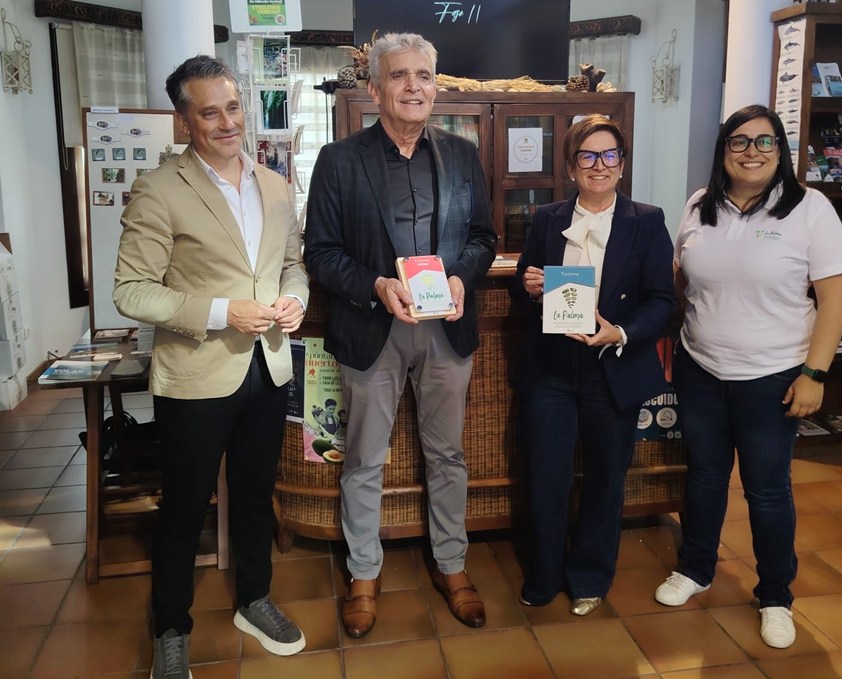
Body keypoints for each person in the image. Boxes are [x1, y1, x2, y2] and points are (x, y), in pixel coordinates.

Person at [113, 55, 309, 678]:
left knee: (253, 496)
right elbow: (131, 291)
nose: (227, 123)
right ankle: (171, 629)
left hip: (268, 370)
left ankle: (254, 599)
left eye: (233, 107)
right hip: (195, 376)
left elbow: (292, 265)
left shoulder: (274, 185)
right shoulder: (159, 189)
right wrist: (223, 311)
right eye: (209, 113)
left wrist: (295, 299)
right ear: (184, 121)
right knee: (184, 507)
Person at [303, 32, 497, 638]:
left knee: (448, 455)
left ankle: (452, 564)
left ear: (435, 87)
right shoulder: (339, 160)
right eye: (399, 75)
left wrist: (462, 277)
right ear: (375, 88)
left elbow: (483, 239)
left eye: (424, 76)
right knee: (364, 458)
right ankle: (363, 573)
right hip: (372, 327)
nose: (413, 86)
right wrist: (377, 285)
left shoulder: (462, 154)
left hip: (446, 330)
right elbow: (320, 253)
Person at [654, 104, 842, 649]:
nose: (751, 152)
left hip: (773, 375)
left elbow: (834, 297)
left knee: (766, 490)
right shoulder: (700, 204)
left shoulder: (810, 208)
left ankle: (775, 595)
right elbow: (679, 278)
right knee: (704, 476)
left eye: (765, 142)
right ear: (724, 150)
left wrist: (814, 373)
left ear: (780, 151)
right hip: (701, 367)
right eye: (739, 141)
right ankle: (696, 567)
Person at [509, 115, 676, 616]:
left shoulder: (646, 220)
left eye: (609, 155)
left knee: (605, 479)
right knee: (546, 476)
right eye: (587, 155)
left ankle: (589, 578)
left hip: (612, 368)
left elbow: (663, 301)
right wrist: (529, 286)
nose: (598, 165)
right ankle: (543, 574)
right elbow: (523, 284)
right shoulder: (547, 217)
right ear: (570, 166)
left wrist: (619, 332)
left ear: (622, 165)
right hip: (553, 370)